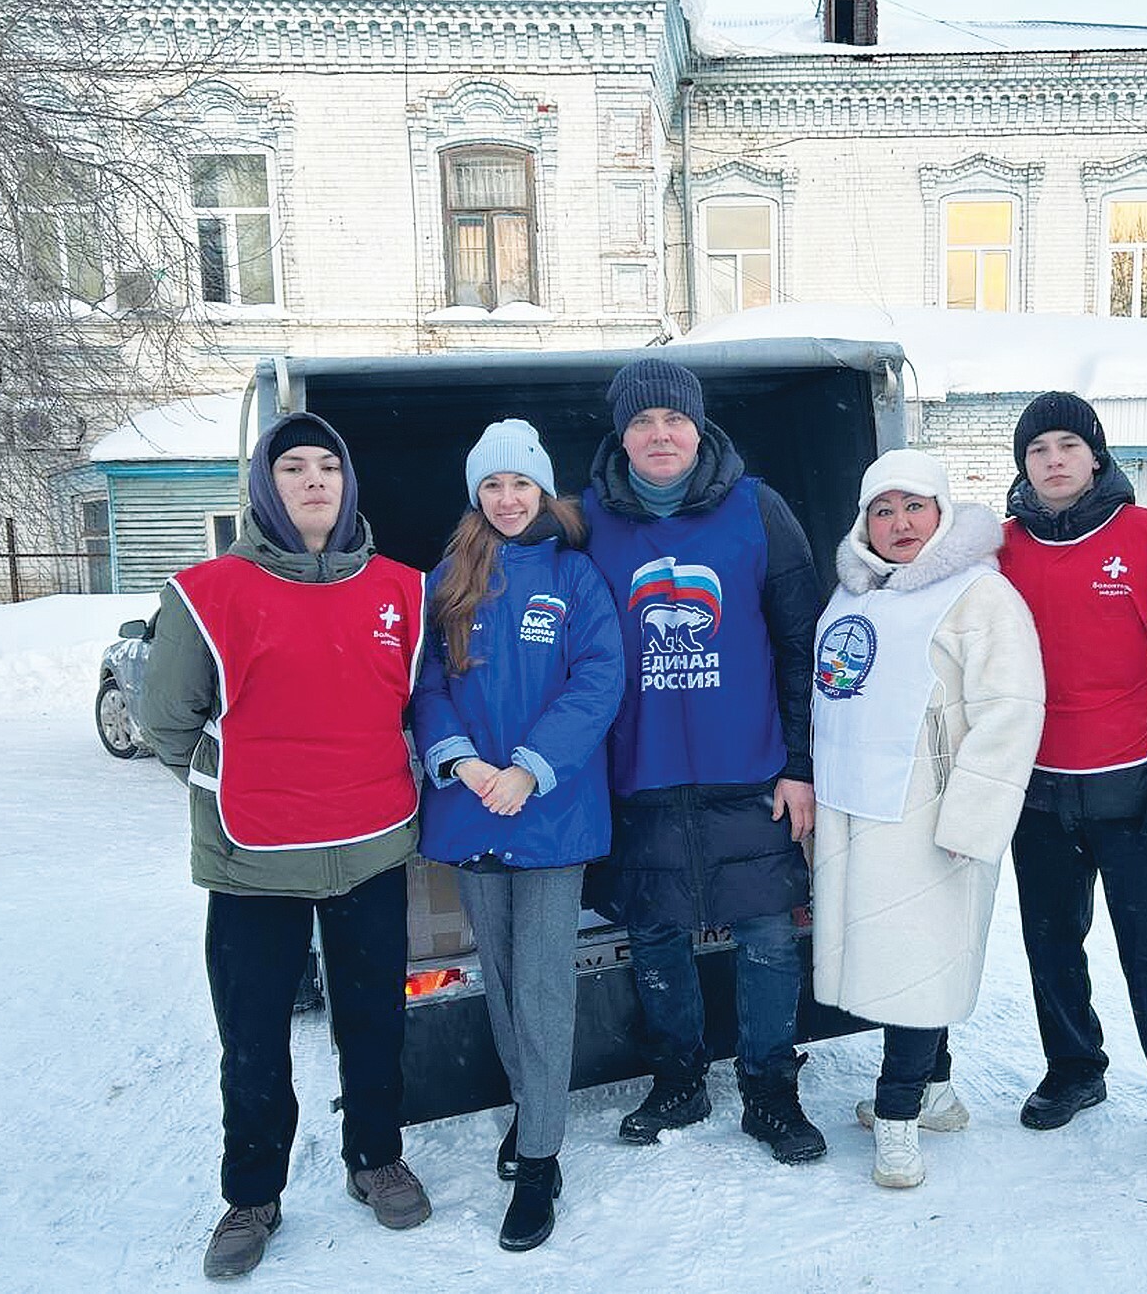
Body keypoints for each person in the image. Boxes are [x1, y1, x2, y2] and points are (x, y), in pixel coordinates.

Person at [141, 412, 432, 1280]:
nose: (314, 481)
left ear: (348, 485)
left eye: (328, 468)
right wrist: (245, 778)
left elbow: (416, 709)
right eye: (294, 467)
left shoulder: (402, 590)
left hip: (372, 845)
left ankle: (376, 1159)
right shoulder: (206, 593)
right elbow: (167, 722)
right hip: (253, 859)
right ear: (266, 487)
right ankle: (252, 1195)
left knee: (375, 1021)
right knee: (254, 1037)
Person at [580, 357, 827, 1164]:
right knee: (654, 935)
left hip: (749, 771)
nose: (660, 434)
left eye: (674, 419)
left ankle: (769, 1091)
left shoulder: (759, 509)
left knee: (767, 935)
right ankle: (678, 1081)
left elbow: (801, 645)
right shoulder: (586, 520)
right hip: (639, 772)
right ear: (622, 436)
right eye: (643, 421)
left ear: (698, 427)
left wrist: (801, 765)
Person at [1000, 392, 1147, 1167]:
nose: (1054, 460)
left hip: (1133, 791)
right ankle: (1074, 1068)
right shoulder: (998, 550)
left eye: (1068, 445)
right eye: (1038, 450)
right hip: (1036, 792)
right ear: (1023, 465)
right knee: (1051, 945)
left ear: (1096, 456)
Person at [411, 419, 623, 1251]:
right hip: (473, 805)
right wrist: (463, 762)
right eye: (493, 485)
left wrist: (530, 769)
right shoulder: (450, 577)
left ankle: (540, 1157)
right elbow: (427, 685)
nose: (507, 499)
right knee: (498, 982)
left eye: (521, 484)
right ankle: (530, 1111)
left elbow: (598, 680)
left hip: (549, 810)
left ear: (543, 491)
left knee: (541, 986)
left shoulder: (574, 575)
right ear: (478, 494)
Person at [810, 449, 1044, 1188]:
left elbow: (1010, 714)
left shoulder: (981, 596)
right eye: (883, 510)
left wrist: (972, 820)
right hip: (857, 809)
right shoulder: (855, 593)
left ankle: (898, 1118)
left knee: (916, 964)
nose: (899, 523)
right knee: (909, 960)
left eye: (914, 506)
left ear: (942, 514)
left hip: (931, 816)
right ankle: (937, 1092)